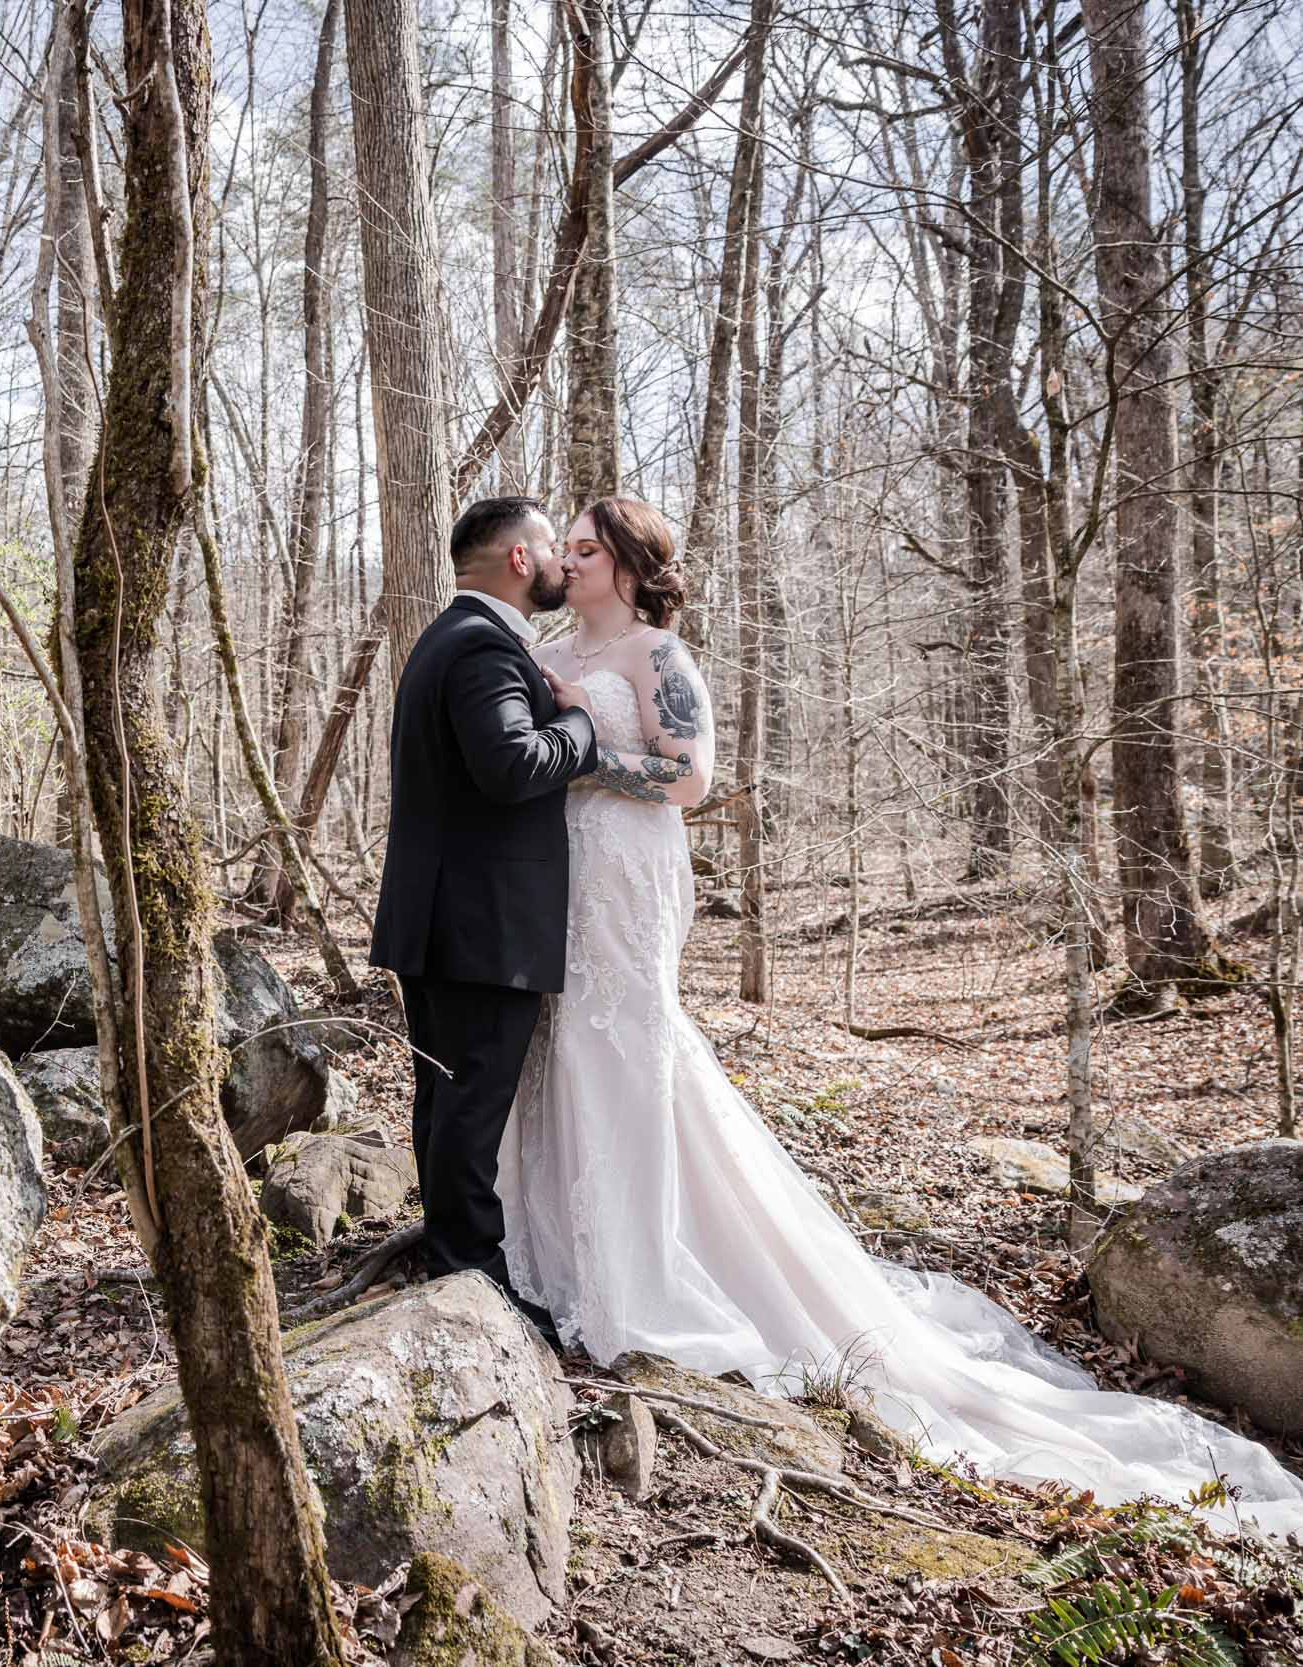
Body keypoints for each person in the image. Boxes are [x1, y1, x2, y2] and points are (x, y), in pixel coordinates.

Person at [499, 493, 1303, 1534]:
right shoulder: (555, 642)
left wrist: (578, 746)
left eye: (586, 547)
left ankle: (646, 1271)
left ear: (627, 563)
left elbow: (688, 778)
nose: (568, 558)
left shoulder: (658, 655)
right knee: (559, 1050)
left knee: (626, 1047)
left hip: (628, 869)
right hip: (555, 874)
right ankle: (560, 1255)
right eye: (563, 545)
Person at [368, 496, 596, 1343]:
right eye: (549, 548)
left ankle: (450, 1256)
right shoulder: (481, 648)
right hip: (479, 928)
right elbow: (511, 765)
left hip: (446, 921)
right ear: (515, 560)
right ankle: (475, 1281)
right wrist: (579, 726)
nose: (560, 565)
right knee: (468, 1107)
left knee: (446, 1099)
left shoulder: (447, 637)